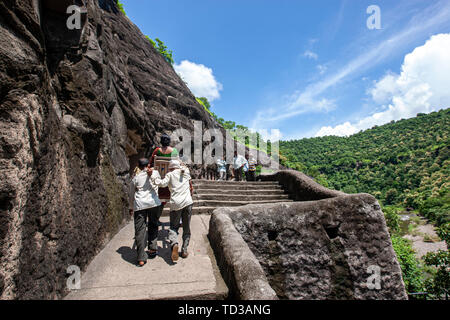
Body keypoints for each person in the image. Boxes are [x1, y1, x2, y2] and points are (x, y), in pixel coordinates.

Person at [150, 160, 194, 262]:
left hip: (176, 204)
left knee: (174, 227)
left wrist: (153, 176)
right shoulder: (185, 172)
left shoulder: (170, 174)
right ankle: (184, 250)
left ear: (170, 168)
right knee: (186, 228)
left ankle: (174, 243)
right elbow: (184, 167)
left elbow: (161, 184)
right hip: (188, 202)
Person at [129, 158, 163, 267]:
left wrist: (131, 207)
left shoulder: (135, 178)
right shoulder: (156, 173)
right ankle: (152, 248)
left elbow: (131, 194)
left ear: (138, 167)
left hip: (140, 205)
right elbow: (159, 182)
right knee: (153, 225)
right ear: (148, 165)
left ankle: (141, 258)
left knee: (140, 230)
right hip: (153, 203)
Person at [150, 134, 179, 204]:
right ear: (169, 142)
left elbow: (150, 163)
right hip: (170, 179)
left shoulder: (157, 150)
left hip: (158, 178)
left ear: (161, 141)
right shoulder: (174, 151)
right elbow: (177, 164)